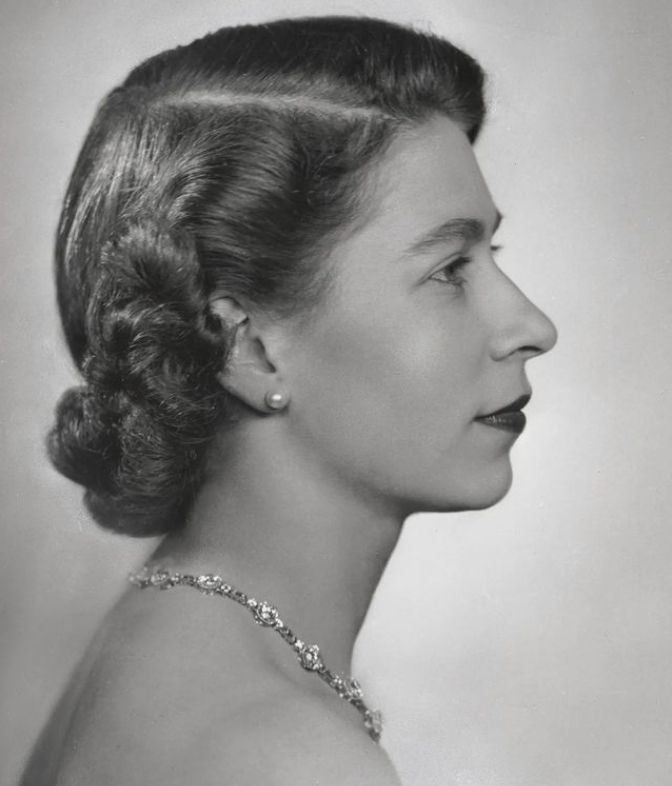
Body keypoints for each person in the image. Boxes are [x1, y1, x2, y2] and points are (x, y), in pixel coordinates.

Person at [20, 15, 557, 785]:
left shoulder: (160, 640)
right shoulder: (288, 754)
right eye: (449, 270)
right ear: (248, 348)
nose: (532, 327)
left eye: (490, 253)